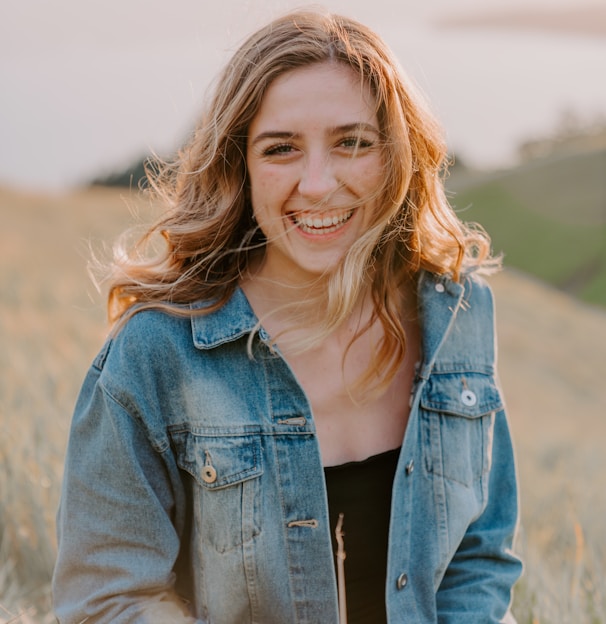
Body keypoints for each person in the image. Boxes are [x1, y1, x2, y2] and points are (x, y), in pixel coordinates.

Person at [52, 9, 523, 624]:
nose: (318, 183)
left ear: (397, 154)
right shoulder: (159, 352)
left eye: (352, 142)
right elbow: (105, 602)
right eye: (281, 149)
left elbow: (476, 557)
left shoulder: (454, 311)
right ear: (239, 166)